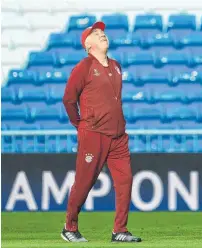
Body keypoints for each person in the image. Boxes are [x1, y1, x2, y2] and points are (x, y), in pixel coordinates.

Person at [61, 21, 141, 243]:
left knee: (125, 182)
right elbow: (68, 99)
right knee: (84, 182)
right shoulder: (84, 67)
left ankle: (120, 231)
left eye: (103, 32)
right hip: (94, 134)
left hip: (118, 136)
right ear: (88, 44)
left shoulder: (115, 65)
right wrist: (80, 125)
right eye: (96, 34)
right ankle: (69, 227)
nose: (102, 35)